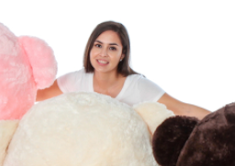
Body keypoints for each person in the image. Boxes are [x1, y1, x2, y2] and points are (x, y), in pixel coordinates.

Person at [37, 21, 209, 119]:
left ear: (122, 54)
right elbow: (35, 95)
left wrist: (221, 119)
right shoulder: (76, 80)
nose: (103, 54)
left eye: (112, 48)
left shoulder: (138, 86)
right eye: (98, 45)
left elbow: (183, 109)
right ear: (90, 48)